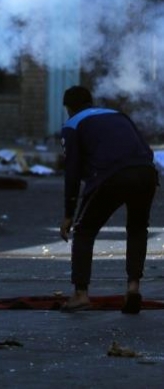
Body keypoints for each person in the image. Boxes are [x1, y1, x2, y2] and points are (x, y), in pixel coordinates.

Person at [58, 85, 158, 314]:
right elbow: (146, 149)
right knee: (137, 228)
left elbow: (72, 172)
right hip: (146, 172)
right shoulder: (117, 115)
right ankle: (133, 287)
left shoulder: (72, 124)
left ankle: (81, 294)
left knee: (84, 230)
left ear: (68, 108)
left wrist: (68, 214)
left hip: (112, 175)